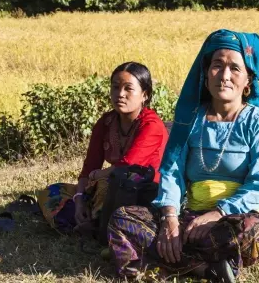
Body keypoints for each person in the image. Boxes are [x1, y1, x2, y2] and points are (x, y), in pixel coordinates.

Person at [107, 30, 259, 282]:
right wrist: (170, 221)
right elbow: (172, 172)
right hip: (189, 219)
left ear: (248, 80)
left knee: (258, 233)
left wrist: (217, 214)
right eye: (217, 66)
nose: (224, 76)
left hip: (233, 219)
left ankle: (166, 261)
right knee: (123, 218)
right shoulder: (190, 120)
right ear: (205, 73)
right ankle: (207, 268)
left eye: (234, 68)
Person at [37, 62, 169, 241]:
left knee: (109, 182)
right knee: (52, 192)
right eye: (115, 87)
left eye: (128, 88)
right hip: (110, 186)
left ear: (144, 95)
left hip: (145, 192)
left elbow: (128, 166)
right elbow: (89, 167)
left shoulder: (151, 125)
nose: (120, 94)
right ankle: (84, 221)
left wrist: (97, 176)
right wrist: (79, 199)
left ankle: (98, 227)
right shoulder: (106, 122)